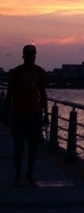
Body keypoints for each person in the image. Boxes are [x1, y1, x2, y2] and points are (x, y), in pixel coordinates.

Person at [7, 44, 47, 186]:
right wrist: (7, 113)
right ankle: (18, 174)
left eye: (33, 54)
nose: (32, 57)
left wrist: (46, 115)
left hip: (35, 114)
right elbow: (9, 94)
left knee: (33, 146)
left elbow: (43, 94)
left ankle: (29, 173)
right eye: (29, 54)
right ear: (24, 55)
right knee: (18, 146)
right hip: (18, 113)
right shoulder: (16, 72)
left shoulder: (39, 72)